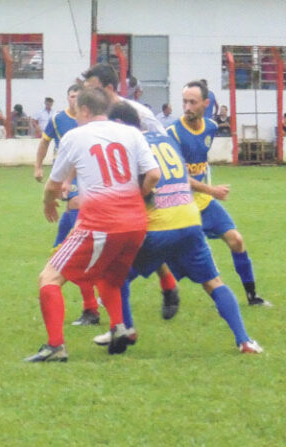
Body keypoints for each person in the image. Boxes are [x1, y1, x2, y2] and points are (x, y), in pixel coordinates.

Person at [91, 102, 262, 354]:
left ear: (118, 125)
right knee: (213, 282)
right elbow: (182, 174)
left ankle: (126, 328)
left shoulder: (129, 146)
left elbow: (138, 185)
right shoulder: (165, 139)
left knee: (114, 277)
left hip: (158, 226)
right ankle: (245, 340)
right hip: (190, 220)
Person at [24, 87, 160, 362]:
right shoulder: (132, 133)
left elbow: (53, 184)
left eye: (76, 114)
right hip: (136, 223)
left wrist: (47, 203)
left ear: (84, 111)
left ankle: (55, 347)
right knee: (107, 276)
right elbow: (153, 174)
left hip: (100, 222)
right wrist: (139, 196)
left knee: (48, 278)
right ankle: (119, 327)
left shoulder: (75, 136)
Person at [82, 63, 182, 318]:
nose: (87, 95)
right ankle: (163, 286)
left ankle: (119, 311)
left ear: (107, 88)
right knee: (133, 242)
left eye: (91, 89)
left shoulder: (138, 113)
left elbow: (163, 144)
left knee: (133, 242)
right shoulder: (95, 113)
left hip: (142, 183)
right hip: (112, 186)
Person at [166, 80, 269, 307]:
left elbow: (200, 163)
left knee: (236, 240)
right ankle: (120, 294)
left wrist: (207, 188)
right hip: (180, 206)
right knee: (169, 261)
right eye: (185, 101)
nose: (187, 107)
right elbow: (181, 177)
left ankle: (253, 297)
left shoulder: (211, 127)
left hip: (203, 202)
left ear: (206, 103)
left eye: (193, 102)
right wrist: (212, 189)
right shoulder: (173, 133)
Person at [33, 84, 99, 326]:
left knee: (72, 247)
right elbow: (44, 143)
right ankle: (97, 307)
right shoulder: (59, 119)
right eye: (71, 96)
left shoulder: (90, 122)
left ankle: (93, 307)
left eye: (78, 96)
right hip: (66, 178)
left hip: (85, 181)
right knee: (67, 243)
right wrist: (38, 166)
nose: (74, 100)